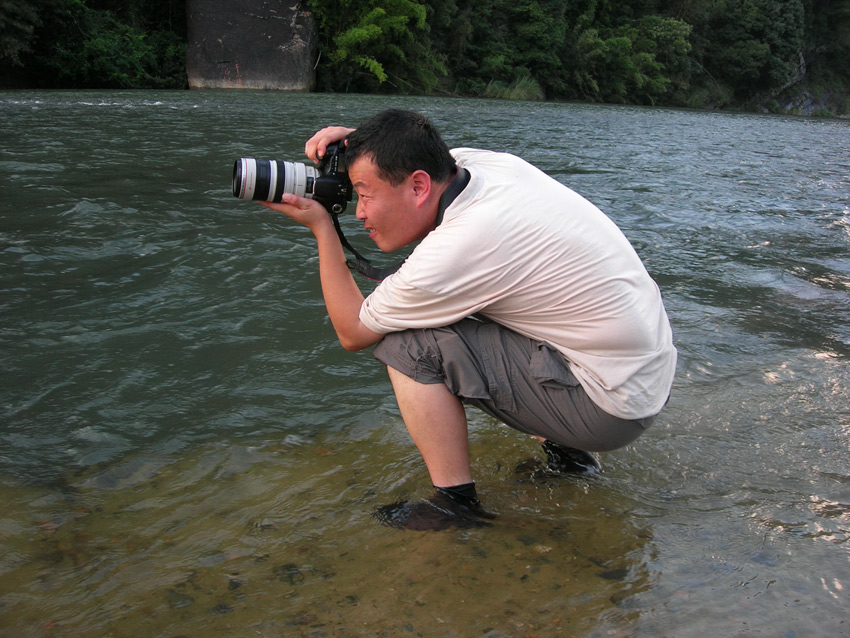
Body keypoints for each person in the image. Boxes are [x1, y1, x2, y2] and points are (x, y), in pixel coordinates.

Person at [262, 109, 676, 530]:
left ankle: (456, 505)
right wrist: (361, 142)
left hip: (610, 406)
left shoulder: (461, 244)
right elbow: (420, 155)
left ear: (419, 186)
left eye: (364, 194)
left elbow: (353, 332)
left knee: (407, 344)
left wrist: (322, 228)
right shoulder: (487, 167)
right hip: (640, 373)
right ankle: (571, 460)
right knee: (481, 306)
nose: (358, 212)